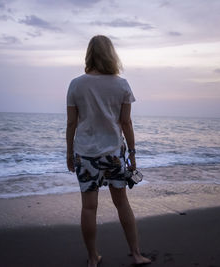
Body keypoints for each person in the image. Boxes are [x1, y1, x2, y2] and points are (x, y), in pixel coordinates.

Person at [66, 35, 151, 267]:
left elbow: (71, 124)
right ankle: (136, 254)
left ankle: (93, 258)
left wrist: (68, 153)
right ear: (111, 54)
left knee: (88, 207)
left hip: (85, 154)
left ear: (89, 54)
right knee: (122, 203)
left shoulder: (76, 84)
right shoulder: (121, 85)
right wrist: (132, 154)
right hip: (113, 154)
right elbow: (126, 124)